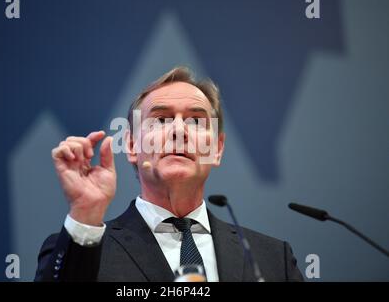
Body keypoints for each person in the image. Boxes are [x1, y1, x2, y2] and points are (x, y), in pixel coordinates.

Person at [34, 67, 304, 282]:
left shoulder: (271, 258)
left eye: (196, 121)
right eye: (161, 120)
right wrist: (86, 213)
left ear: (217, 149)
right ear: (130, 145)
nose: (179, 131)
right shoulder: (84, 249)